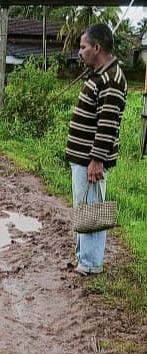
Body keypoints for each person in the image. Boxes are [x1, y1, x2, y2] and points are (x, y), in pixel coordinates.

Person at [66, 24, 127, 276]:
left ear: (97, 47)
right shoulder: (100, 73)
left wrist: (96, 160)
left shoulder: (110, 79)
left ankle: (91, 263)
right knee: (85, 209)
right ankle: (84, 258)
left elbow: (107, 123)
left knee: (92, 210)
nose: (80, 52)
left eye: (83, 47)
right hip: (82, 158)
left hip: (90, 161)